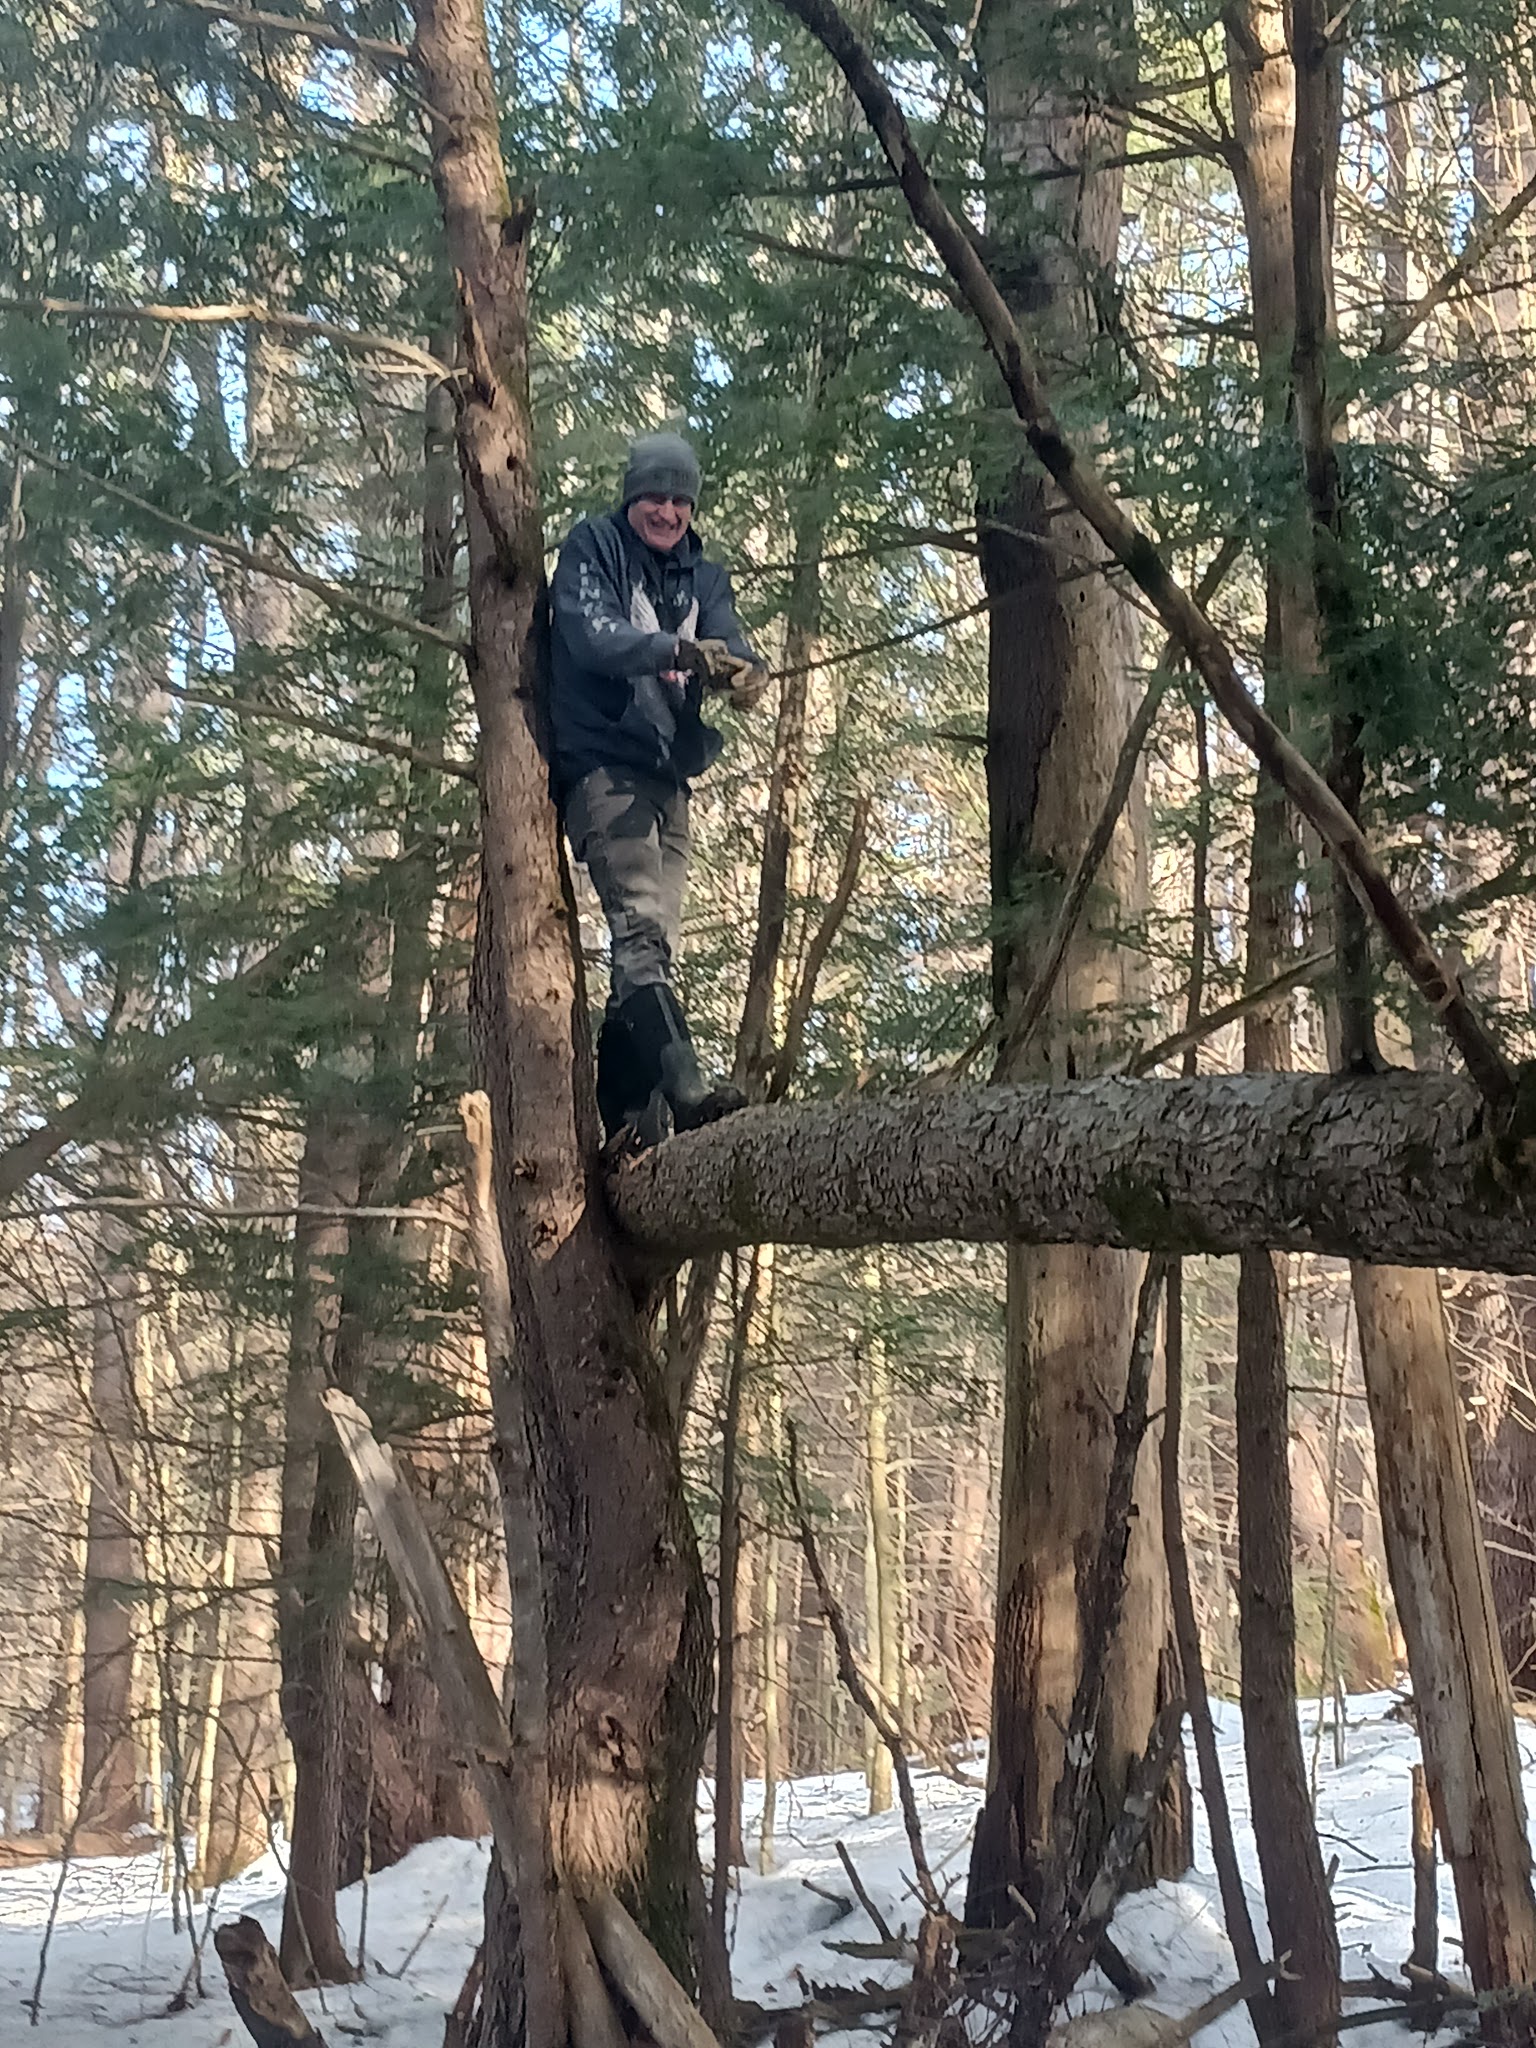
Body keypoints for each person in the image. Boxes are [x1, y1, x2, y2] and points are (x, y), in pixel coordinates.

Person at [549, 430, 770, 1143]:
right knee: (641, 935)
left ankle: (622, 1130)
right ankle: (688, 1097)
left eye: (680, 499)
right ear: (631, 496)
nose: (668, 512)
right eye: (655, 496)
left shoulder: (704, 575)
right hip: (605, 767)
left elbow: (731, 637)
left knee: (649, 954)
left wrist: (744, 671)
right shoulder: (593, 548)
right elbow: (593, 636)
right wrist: (674, 650)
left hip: (672, 773)